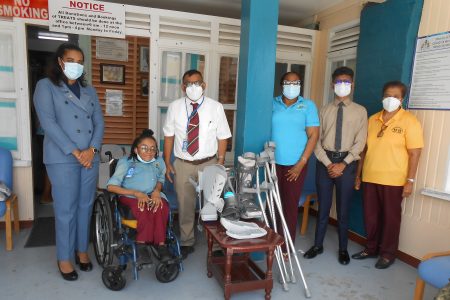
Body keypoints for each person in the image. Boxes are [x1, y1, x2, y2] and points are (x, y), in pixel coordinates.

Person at [33, 43, 104, 281]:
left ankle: (81, 250)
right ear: (60, 62)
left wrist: (91, 150)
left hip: (89, 158)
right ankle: (64, 257)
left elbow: (99, 123)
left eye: (80, 60)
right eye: (71, 60)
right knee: (65, 209)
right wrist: (76, 151)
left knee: (85, 206)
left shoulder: (90, 91)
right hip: (62, 158)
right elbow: (48, 123)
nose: (76, 65)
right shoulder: (46, 86)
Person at [352, 81, 423, 269]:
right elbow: (364, 150)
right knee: (371, 216)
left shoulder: (410, 121)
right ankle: (371, 248)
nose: (390, 99)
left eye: (395, 96)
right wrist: (358, 175)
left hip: (394, 180)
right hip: (370, 176)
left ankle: (388, 253)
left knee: (391, 218)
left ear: (402, 99)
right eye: (387, 95)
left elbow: (415, 153)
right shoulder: (373, 119)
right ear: (382, 96)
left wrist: (410, 181)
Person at [163, 69, 231, 258]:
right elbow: (168, 136)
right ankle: (186, 241)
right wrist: (167, 162)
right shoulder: (175, 107)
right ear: (183, 87)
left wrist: (221, 162)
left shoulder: (215, 107)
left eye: (197, 83)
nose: (193, 87)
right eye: (189, 84)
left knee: (213, 203)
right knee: (185, 204)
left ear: (204, 85)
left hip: (208, 163)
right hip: (183, 163)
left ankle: (216, 244)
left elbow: (223, 136)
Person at [304, 66, 368, 265]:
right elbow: (316, 140)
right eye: (338, 82)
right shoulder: (323, 110)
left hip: (347, 164)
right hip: (325, 162)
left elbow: (361, 142)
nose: (342, 86)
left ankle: (343, 248)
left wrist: (343, 164)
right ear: (332, 84)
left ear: (352, 84)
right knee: (323, 207)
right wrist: (329, 163)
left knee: (343, 209)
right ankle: (318, 245)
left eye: (346, 82)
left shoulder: (360, 111)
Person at [271, 71, 319, 255]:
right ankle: (271, 243)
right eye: (288, 82)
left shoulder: (307, 106)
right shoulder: (272, 103)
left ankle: (285, 247)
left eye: (296, 82)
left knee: (290, 206)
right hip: (272, 163)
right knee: (273, 204)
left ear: (300, 84)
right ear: (281, 84)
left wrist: (302, 162)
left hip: (296, 165)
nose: (291, 86)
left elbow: (313, 135)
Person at [107, 129, 171, 262]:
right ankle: (141, 244)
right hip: (130, 196)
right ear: (136, 150)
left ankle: (161, 245)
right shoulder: (126, 162)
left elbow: (161, 179)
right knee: (142, 207)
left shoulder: (158, 161)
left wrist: (156, 191)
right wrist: (136, 193)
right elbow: (111, 186)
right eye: (144, 148)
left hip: (151, 195)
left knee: (161, 206)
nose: (149, 152)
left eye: (153, 149)